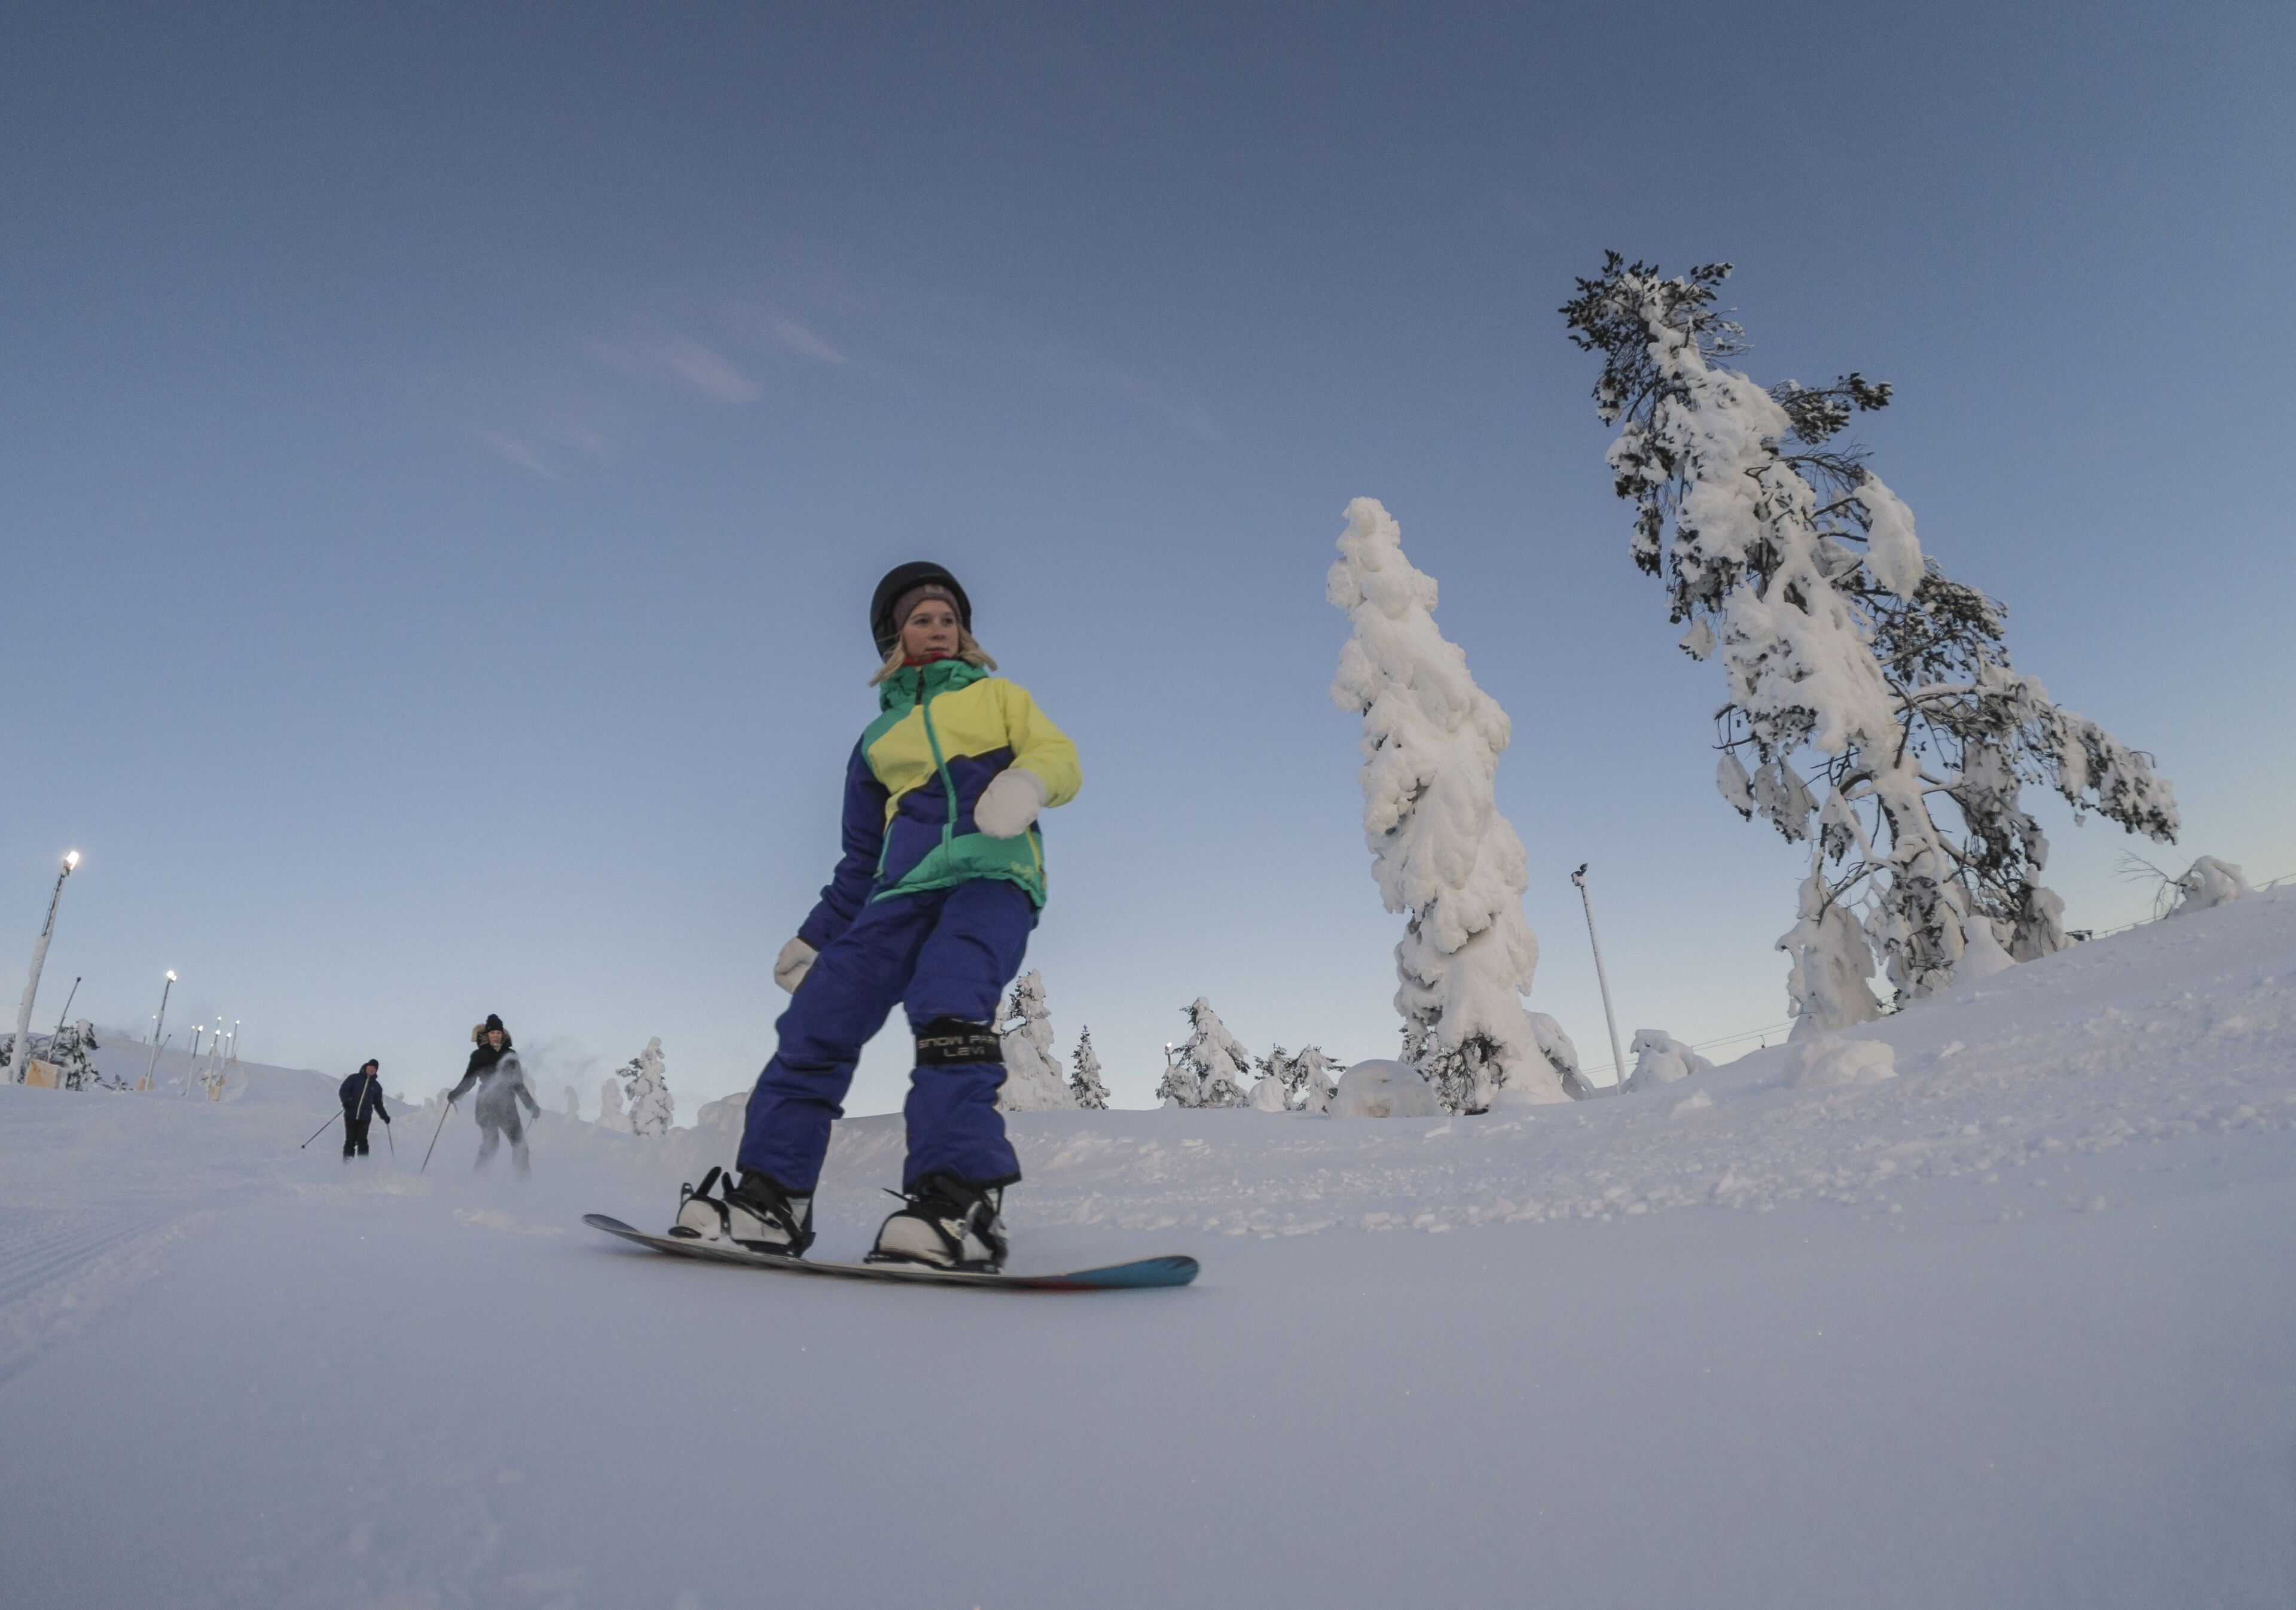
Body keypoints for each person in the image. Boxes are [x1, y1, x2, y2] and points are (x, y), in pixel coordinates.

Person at [671, 561, 1080, 1270]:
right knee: (817, 1020)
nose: (938, 629)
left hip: (991, 879)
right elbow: (860, 860)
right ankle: (774, 1198)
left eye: (949, 619)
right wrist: (814, 938)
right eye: (922, 619)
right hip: (895, 898)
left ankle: (961, 1201)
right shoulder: (875, 744)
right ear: (894, 639)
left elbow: (1059, 755)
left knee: (947, 1001)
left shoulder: (1001, 699)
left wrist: (1026, 780)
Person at [448, 1014, 542, 1174]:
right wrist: (456, 1094)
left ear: (503, 1034)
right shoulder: (479, 1056)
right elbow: (470, 1080)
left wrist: (531, 1106)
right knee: (492, 1143)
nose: (496, 1036)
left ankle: (522, 1182)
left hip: (508, 1106)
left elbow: (518, 1084)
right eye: (493, 1033)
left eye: (499, 1032)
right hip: (487, 1105)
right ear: (487, 1034)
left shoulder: (511, 1055)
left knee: (520, 1144)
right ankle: (479, 1178)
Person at [338, 1059, 390, 1158]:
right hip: (351, 1115)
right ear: (366, 1067)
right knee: (350, 1140)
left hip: (365, 1118)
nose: (372, 1069)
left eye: (374, 1069)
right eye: (371, 1067)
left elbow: (378, 1104)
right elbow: (344, 1090)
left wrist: (385, 1116)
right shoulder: (354, 1078)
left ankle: (364, 1166)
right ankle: (347, 1165)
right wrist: (346, 1102)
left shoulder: (377, 1087)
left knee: (362, 1141)